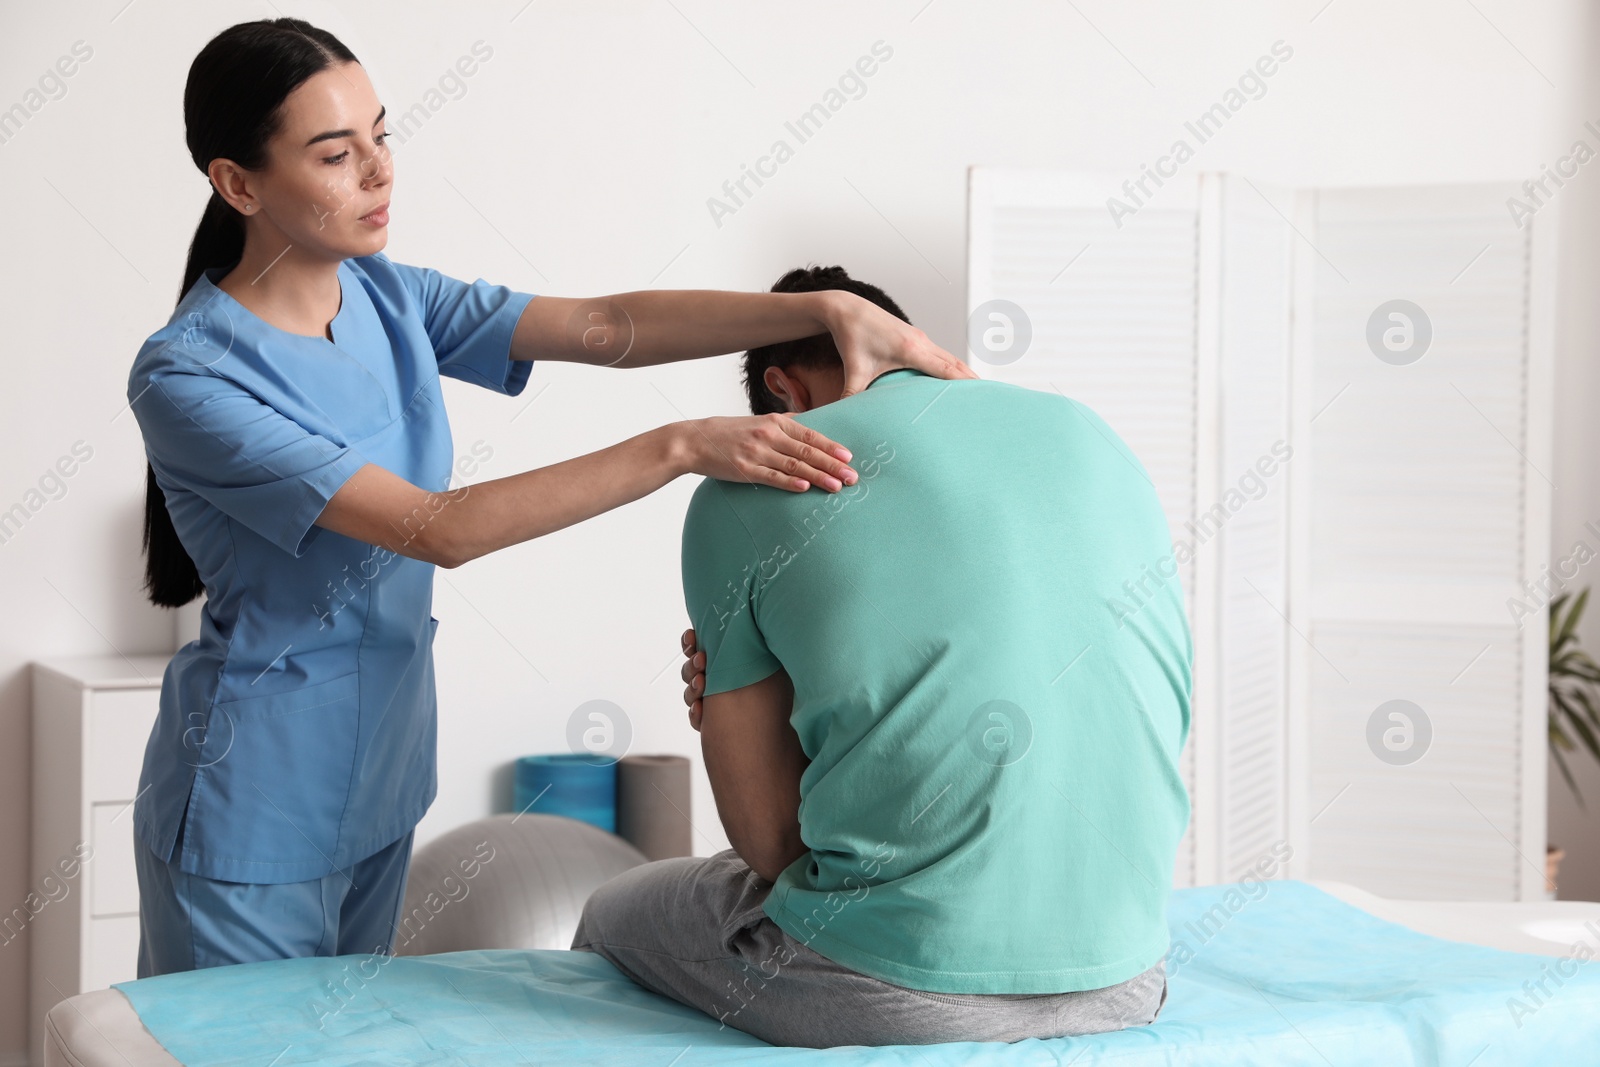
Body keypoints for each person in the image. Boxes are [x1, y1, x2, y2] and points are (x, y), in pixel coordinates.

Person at [128, 21, 973, 978]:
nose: (378, 172)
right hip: (254, 801)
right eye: (335, 153)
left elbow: (603, 324)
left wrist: (819, 312)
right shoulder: (187, 375)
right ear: (239, 183)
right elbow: (436, 530)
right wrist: (683, 445)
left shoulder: (386, 295)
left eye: (381, 134)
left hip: (380, 782)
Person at [572, 265, 1192, 1047]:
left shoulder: (749, 484)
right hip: (1130, 975)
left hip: (888, 985)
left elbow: (771, 847)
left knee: (608, 911)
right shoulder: (1087, 430)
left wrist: (734, 715)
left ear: (781, 394)